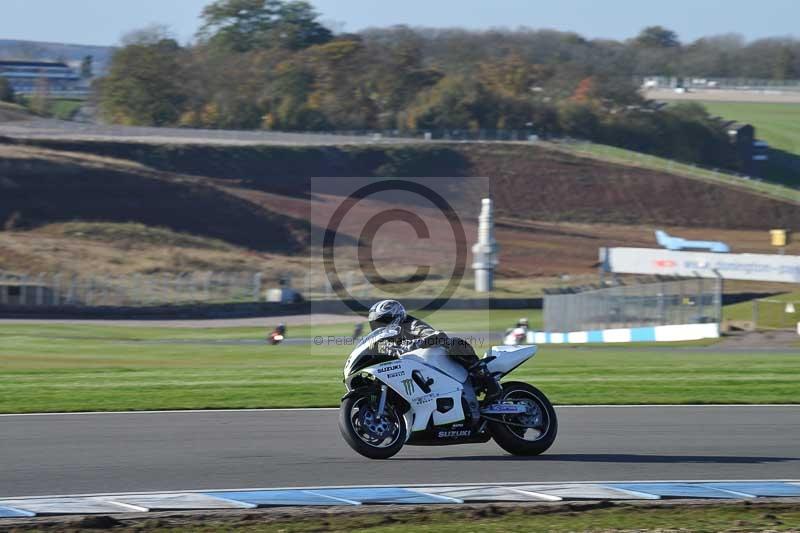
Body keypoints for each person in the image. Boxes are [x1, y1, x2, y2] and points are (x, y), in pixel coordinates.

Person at [367, 299, 501, 399]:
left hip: (433, 361)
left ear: (395, 317)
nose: (379, 327)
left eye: (382, 321)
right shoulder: (382, 338)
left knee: (453, 343)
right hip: (408, 369)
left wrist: (414, 344)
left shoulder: (411, 324)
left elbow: (435, 336)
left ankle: (487, 379)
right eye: (376, 324)